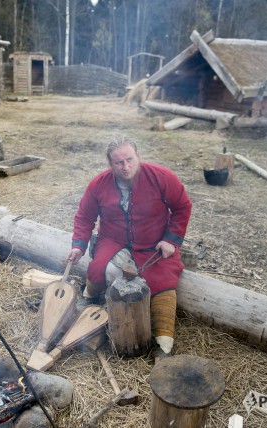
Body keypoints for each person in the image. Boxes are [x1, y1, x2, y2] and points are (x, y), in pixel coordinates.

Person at [67, 135, 192, 360]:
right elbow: (85, 217)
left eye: (130, 160)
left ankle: (163, 343)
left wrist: (170, 240)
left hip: (153, 243)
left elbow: (182, 207)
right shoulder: (99, 184)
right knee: (99, 267)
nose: (126, 167)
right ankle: (90, 297)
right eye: (119, 163)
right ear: (110, 163)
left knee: (162, 279)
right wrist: (78, 245)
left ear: (138, 156)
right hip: (113, 239)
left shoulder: (161, 177)